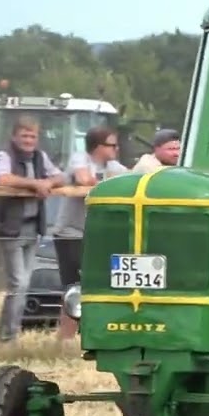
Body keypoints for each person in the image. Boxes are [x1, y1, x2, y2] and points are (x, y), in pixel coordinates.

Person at [0, 115, 66, 343]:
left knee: (23, 284)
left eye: (33, 136)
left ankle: (6, 334)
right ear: (14, 136)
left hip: (33, 227)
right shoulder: (3, 155)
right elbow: (3, 178)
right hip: (10, 228)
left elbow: (60, 176)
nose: (29, 140)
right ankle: (8, 338)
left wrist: (48, 183)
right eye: (24, 136)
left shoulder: (40, 156)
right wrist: (35, 184)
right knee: (18, 284)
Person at [51, 125, 129, 339]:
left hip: (95, 235)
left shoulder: (113, 166)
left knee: (97, 285)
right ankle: (65, 338)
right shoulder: (80, 159)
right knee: (73, 287)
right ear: (97, 147)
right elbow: (84, 179)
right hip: (70, 233)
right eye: (112, 145)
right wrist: (112, 185)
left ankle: (93, 334)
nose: (116, 149)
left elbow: (131, 180)